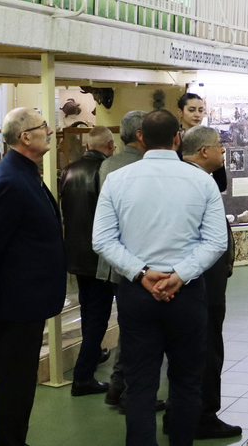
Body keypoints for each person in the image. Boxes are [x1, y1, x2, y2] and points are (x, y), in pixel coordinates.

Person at [92, 110, 227, 446]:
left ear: (140, 138)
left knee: (140, 384)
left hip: (138, 294)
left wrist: (141, 273)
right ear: (177, 138)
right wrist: (180, 275)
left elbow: (102, 239)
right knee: (185, 382)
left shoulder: (118, 180)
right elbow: (216, 241)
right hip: (188, 294)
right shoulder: (201, 181)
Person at [0, 108, 66, 446]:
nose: (51, 131)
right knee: (16, 380)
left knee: (22, 379)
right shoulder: (10, 179)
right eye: (43, 127)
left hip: (27, 298)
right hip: (15, 302)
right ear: (25, 137)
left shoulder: (25, 172)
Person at [177, 127, 240, 440]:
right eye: (219, 146)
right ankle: (202, 416)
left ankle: (183, 414)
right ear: (203, 151)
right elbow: (208, 240)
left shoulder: (192, 178)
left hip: (198, 282)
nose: (224, 151)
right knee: (206, 351)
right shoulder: (197, 182)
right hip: (203, 285)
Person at [95, 110, 150, 409]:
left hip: (114, 258)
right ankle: (128, 390)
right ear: (142, 134)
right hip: (139, 262)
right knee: (139, 332)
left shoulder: (108, 165)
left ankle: (117, 385)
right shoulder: (143, 166)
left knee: (129, 327)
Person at [58, 126, 116, 396]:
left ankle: (91, 356)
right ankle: (83, 375)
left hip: (76, 254)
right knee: (98, 317)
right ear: (110, 145)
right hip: (100, 257)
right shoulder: (106, 172)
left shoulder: (68, 171)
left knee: (87, 311)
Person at [177, 93, 226, 192]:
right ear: (180, 112)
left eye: (201, 110)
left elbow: (221, 183)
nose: (197, 115)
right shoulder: (174, 140)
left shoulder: (210, 138)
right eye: (191, 110)